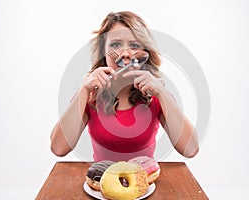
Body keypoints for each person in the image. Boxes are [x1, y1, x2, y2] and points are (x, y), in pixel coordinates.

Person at [50, 11, 199, 161]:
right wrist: (84, 90)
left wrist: (162, 93)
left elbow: (190, 149)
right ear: (104, 52)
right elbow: (58, 148)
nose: (126, 53)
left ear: (145, 52)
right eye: (116, 44)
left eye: (134, 45)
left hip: (144, 182)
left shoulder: (156, 95)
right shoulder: (89, 96)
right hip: (102, 181)